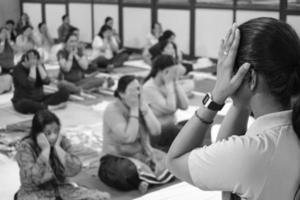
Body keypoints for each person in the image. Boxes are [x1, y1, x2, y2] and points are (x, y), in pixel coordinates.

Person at [166, 18, 300, 200]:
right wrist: (240, 101)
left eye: (229, 70)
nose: (225, 76)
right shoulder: (285, 132)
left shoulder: (253, 151)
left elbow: (175, 160)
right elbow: (226, 148)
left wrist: (216, 96)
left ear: (250, 76)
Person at [98, 75, 173, 193]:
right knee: (125, 171)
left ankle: (143, 179)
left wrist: (144, 109)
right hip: (117, 158)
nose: (137, 94)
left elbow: (156, 131)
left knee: (171, 160)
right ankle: (140, 180)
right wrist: (134, 109)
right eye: (133, 90)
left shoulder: (141, 105)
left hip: (142, 154)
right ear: (122, 94)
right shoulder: (112, 109)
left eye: (139, 89)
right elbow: (128, 137)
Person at [15, 110, 111, 200]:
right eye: (48, 133)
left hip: (61, 189)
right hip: (34, 192)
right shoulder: (26, 147)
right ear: (38, 134)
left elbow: (75, 169)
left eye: (56, 131)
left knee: (101, 197)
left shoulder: (62, 141)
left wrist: (58, 149)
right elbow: (32, 179)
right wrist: (45, 152)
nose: (53, 137)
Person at [143, 55, 189, 151]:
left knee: (200, 121)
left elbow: (185, 106)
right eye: (171, 72)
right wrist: (169, 85)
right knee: (187, 135)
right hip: (159, 132)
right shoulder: (149, 88)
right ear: (162, 71)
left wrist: (175, 83)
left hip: (172, 129)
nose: (173, 75)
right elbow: (170, 108)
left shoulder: (170, 84)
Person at [12, 49, 69, 114]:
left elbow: (47, 81)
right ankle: (51, 107)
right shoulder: (18, 69)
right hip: (24, 99)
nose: (34, 62)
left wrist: (39, 65)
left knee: (65, 92)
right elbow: (29, 85)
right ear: (25, 59)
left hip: (40, 99)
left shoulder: (38, 65)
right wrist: (32, 67)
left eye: (35, 60)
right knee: (24, 104)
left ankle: (40, 106)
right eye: (32, 60)